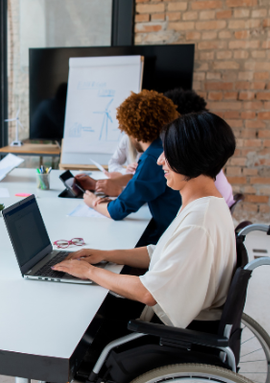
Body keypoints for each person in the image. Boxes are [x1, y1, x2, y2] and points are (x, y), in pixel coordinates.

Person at [53, 111, 237, 331]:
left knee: (80, 304)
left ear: (190, 158)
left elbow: (148, 293)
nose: (159, 160)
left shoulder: (198, 221)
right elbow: (160, 253)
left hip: (168, 326)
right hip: (179, 307)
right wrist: (105, 254)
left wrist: (89, 271)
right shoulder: (206, 203)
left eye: (167, 153)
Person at [95, 88, 236, 206]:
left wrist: (117, 192)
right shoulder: (205, 156)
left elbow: (145, 191)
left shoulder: (188, 165)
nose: (161, 159)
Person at [82, 90, 182, 246]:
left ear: (133, 130)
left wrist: (93, 202)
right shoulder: (166, 147)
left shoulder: (152, 158)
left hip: (165, 239)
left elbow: (117, 211)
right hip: (176, 229)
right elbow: (140, 188)